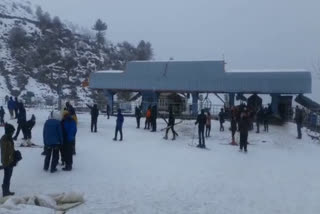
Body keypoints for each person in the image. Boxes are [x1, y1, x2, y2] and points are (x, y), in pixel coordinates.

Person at [0, 123, 16, 196]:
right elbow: (4, 153)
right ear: (9, 131)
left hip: (11, 161)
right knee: (7, 177)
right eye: (12, 132)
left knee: (9, 176)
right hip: (7, 161)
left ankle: (7, 190)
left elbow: (11, 149)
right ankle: (5, 192)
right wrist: (5, 163)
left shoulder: (9, 138)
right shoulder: (4, 140)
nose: (13, 133)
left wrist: (15, 154)